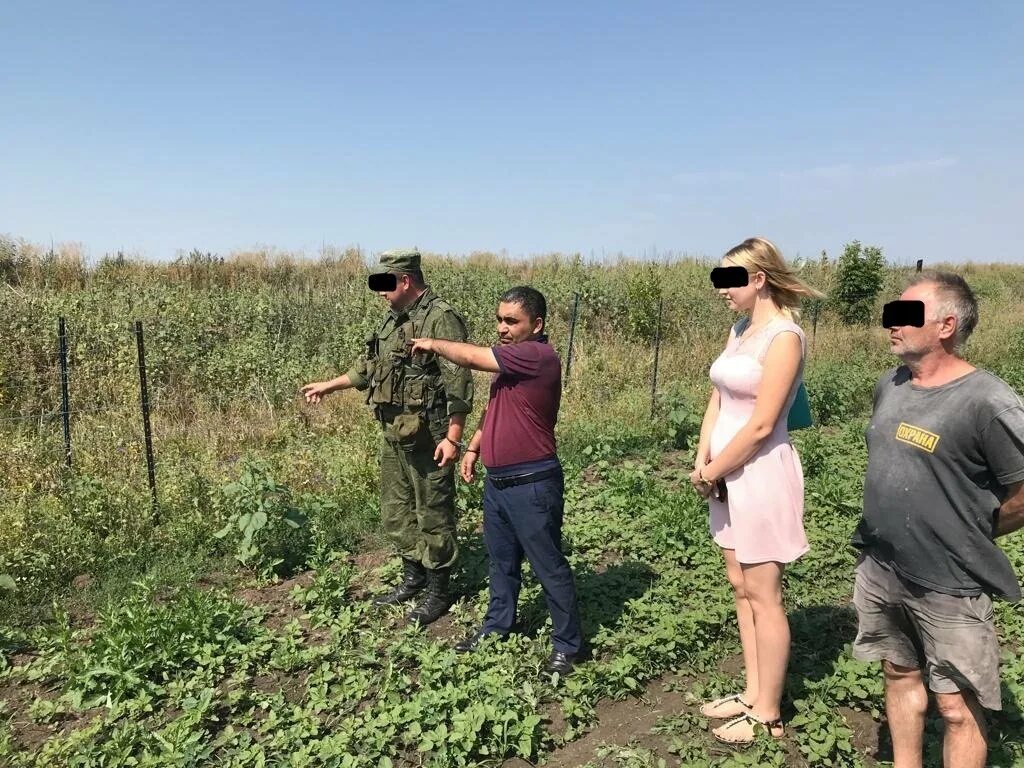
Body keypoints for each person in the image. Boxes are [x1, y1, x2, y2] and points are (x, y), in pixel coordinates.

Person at [850, 271, 1024, 768]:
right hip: (882, 565)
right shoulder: (892, 383)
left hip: (950, 581)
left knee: (956, 706)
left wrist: (976, 528)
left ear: (946, 325)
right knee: (899, 673)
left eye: (907, 315)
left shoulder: (987, 402)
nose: (892, 324)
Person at [689, 237, 824, 745]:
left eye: (729, 280)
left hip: (760, 475)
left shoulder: (784, 337)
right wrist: (703, 458)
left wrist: (713, 470)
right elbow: (718, 398)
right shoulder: (740, 329)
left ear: (759, 279)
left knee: (764, 594)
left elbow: (765, 423)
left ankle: (768, 712)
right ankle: (751, 692)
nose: (722, 290)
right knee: (739, 585)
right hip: (725, 475)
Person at [410, 286, 583, 675]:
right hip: (499, 481)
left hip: (532, 481)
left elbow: (471, 357)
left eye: (511, 321)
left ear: (536, 325)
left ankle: (568, 646)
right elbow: (495, 409)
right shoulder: (512, 365)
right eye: (499, 320)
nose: (502, 328)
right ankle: (497, 626)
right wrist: (472, 448)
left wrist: (434, 343)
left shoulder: (537, 356)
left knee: (547, 564)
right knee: (501, 561)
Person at [300, 248, 474, 626]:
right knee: (395, 510)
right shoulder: (393, 321)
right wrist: (330, 386)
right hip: (394, 432)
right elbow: (369, 368)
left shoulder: (440, 318)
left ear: (405, 280)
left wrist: (454, 438)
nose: (379, 291)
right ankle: (414, 577)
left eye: (384, 284)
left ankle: (439, 590)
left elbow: (459, 381)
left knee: (433, 511)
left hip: (430, 434)